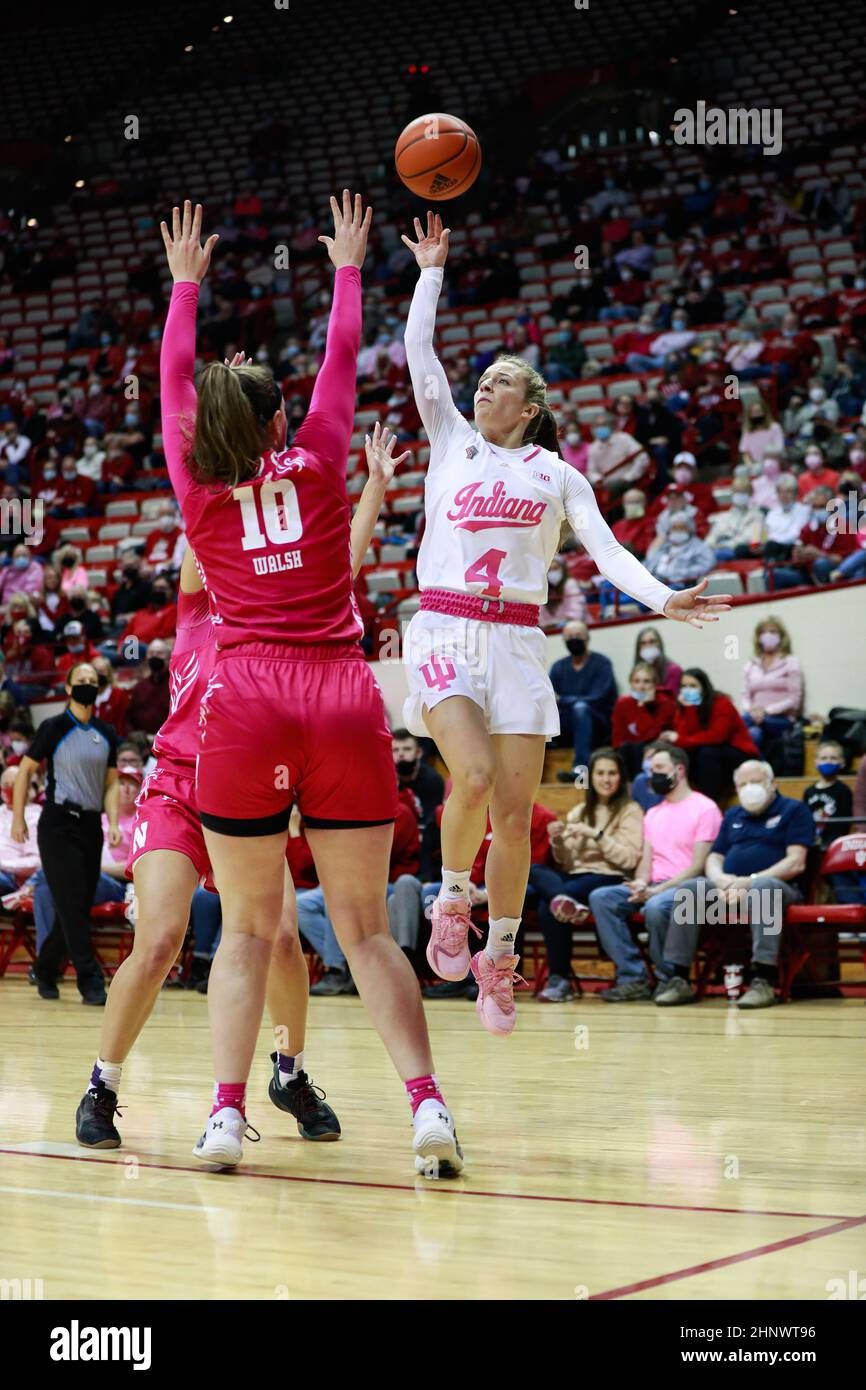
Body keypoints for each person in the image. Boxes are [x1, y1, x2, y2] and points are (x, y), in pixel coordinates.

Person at [160, 197, 462, 1177]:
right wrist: (345, 267)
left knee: (247, 927)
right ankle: (426, 1112)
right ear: (281, 421)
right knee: (368, 930)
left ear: (205, 427)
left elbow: (171, 379)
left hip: (244, 702)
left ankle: (222, 1116)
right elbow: (343, 361)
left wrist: (184, 286)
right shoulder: (325, 462)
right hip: (338, 692)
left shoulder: (195, 485)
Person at [399, 208, 732, 1038]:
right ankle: (451, 898)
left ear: (533, 406)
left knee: (514, 815)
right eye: (483, 377)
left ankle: (500, 959)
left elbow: (610, 552)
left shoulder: (558, 475)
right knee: (469, 779)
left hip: (516, 640)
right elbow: (418, 353)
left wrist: (662, 599)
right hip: (441, 629)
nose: (485, 385)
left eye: (503, 379)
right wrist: (431, 271)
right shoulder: (448, 440)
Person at [75, 500, 384, 1149]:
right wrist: (231, 448)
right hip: (179, 786)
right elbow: (204, 509)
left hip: (248, 792)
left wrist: (376, 493)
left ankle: (288, 1073)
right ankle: (102, 1085)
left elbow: (337, 571)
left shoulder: (288, 619)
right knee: (159, 939)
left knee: (280, 939)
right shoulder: (196, 605)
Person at [651, 760, 816, 1009]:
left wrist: (749, 882)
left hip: (778, 889)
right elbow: (715, 857)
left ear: (773, 783)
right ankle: (679, 978)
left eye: (756, 782)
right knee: (692, 888)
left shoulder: (794, 810)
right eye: (743, 784)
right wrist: (722, 881)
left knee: (765, 889)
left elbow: (796, 862)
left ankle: (764, 979)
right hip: (730, 889)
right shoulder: (733, 815)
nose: (749, 788)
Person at [12, 662, 120, 1005]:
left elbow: (113, 782)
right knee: (72, 906)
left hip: (91, 826)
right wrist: (18, 818)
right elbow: (25, 770)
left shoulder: (106, 732)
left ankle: (45, 969)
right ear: (69, 688)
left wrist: (114, 822)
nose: (88, 685)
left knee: (75, 907)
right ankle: (90, 981)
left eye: (93, 680)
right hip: (58, 825)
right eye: (81, 681)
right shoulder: (53, 727)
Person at [588, 743, 722, 1000]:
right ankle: (633, 975)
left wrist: (655, 891)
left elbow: (698, 865)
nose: (652, 775)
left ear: (679, 770)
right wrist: (640, 883)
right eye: (650, 769)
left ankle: (669, 978)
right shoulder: (653, 813)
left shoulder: (705, 808)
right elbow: (646, 862)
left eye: (659, 768)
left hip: (689, 888)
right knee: (601, 898)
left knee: (655, 906)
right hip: (654, 886)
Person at [529, 749, 643, 1001]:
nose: (606, 779)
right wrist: (558, 842)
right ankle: (561, 899)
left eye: (612, 773)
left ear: (620, 777)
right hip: (575, 876)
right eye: (600, 773)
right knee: (534, 869)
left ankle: (559, 980)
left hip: (609, 876)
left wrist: (596, 835)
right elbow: (565, 861)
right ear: (591, 778)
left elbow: (628, 859)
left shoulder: (631, 810)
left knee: (548, 906)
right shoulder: (579, 811)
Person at [660, 667, 759, 802]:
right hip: (708, 755)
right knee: (679, 755)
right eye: (684, 686)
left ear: (704, 687)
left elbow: (717, 736)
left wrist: (680, 739)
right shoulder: (682, 707)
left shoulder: (721, 703)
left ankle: (709, 803)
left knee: (707, 753)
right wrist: (689, 709)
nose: (688, 690)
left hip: (737, 753)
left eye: (693, 685)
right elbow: (686, 738)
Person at [550, 621, 617, 781]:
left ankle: (580, 769)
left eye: (578, 636)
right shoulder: (558, 667)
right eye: (570, 637)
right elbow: (550, 698)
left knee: (581, 708)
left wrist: (564, 700)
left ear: (587, 638)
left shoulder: (602, 663)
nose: (574, 640)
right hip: (566, 726)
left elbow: (598, 697)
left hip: (597, 723)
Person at [802, 741, 858, 903]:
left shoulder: (843, 791)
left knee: (838, 876)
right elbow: (805, 820)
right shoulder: (809, 791)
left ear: (842, 762)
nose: (828, 762)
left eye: (833, 758)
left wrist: (830, 844)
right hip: (812, 844)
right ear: (816, 761)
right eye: (824, 758)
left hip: (833, 845)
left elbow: (845, 823)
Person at [741, 617, 803, 753]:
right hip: (754, 717)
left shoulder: (790, 662)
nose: (767, 635)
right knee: (754, 734)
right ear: (758, 637)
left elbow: (794, 700)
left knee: (740, 722)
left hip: (781, 719)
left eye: (772, 631)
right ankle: (761, 771)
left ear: (781, 636)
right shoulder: (751, 665)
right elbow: (745, 696)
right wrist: (752, 711)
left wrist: (766, 711)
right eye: (763, 632)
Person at [391, 728, 444, 881]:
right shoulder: (386, 781)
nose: (401, 754)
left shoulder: (432, 780)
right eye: (395, 750)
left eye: (407, 749)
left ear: (419, 753)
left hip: (425, 842)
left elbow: (431, 823)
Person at [611, 662, 677, 778]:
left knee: (638, 748)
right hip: (629, 750)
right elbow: (617, 739)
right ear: (631, 684)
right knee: (624, 749)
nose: (641, 686)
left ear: (655, 684)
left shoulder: (665, 702)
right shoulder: (623, 703)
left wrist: (644, 707)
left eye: (646, 681)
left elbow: (648, 735)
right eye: (637, 681)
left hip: (657, 747)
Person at [645, 513, 716, 589]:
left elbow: (706, 566)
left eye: (681, 528)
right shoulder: (665, 545)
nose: (677, 531)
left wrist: (678, 574)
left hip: (680, 585)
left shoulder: (700, 547)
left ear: (689, 529)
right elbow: (649, 562)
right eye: (674, 528)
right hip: (655, 582)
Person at [126, 639, 171, 734]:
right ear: (146, 657)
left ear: (168, 657)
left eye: (159, 653)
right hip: (141, 740)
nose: (155, 656)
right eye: (151, 653)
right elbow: (129, 717)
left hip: (167, 741)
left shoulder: (175, 687)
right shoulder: (139, 687)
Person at [633, 626, 681, 695]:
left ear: (659, 644)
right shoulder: (637, 670)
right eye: (643, 643)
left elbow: (672, 698)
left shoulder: (673, 669)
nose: (648, 646)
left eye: (652, 641)